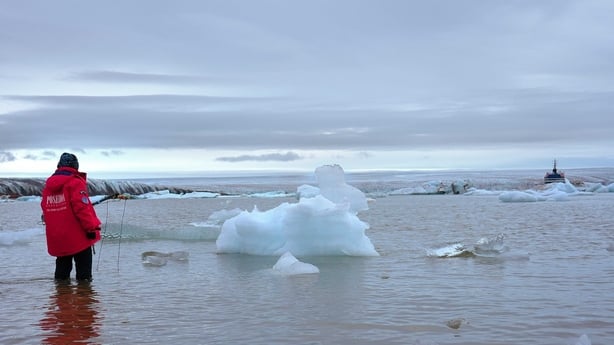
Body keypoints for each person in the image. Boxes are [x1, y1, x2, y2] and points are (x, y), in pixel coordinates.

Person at [41, 152, 102, 282]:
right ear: (75, 166)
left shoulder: (48, 187)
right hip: (78, 236)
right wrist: (91, 228)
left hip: (58, 236)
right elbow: (82, 208)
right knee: (84, 277)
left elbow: (45, 209)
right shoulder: (75, 183)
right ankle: (84, 299)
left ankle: (61, 298)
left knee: (61, 274)